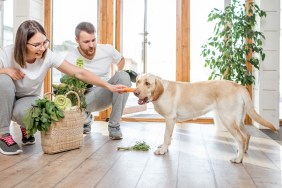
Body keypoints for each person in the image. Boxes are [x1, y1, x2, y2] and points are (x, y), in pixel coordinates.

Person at [0, 20, 127, 155]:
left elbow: (79, 72)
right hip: (4, 96)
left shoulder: (47, 55)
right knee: (3, 80)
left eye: (45, 42)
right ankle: (3, 134)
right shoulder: (7, 53)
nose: (42, 48)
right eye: (36, 45)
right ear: (22, 44)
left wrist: (109, 85)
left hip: (27, 98)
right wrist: (5, 71)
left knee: (27, 114)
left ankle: (25, 125)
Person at [64, 22, 131, 139]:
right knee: (69, 101)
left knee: (123, 76)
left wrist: (117, 72)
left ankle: (114, 126)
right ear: (77, 40)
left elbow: (121, 59)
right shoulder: (70, 58)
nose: (91, 45)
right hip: (85, 98)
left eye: (93, 40)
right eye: (86, 42)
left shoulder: (107, 50)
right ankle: (86, 119)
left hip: (106, 93)